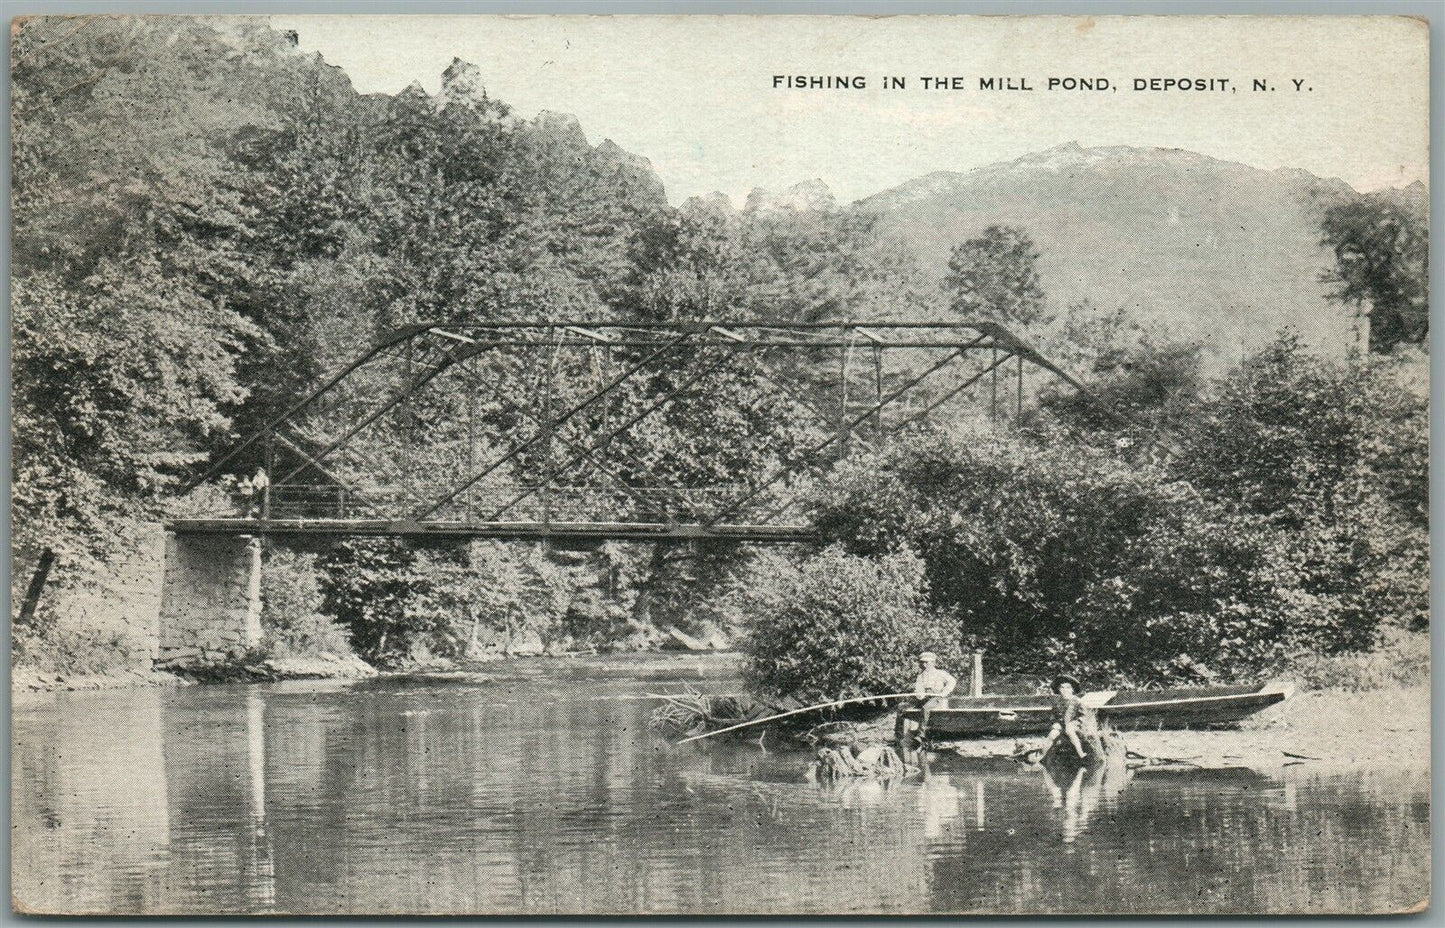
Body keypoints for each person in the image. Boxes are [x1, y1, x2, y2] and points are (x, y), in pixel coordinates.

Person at [911, 651, 957, 743]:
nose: (924, 665)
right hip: (926, 698)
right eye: (922, 662)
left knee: (925, 708)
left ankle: (921, 735)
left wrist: (945, 692)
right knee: (910, 708)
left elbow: (952, 681)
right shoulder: (921, 676)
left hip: (938, 697)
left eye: (927, 662)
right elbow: (919, 688)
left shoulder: (941, 673)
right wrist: (920, 694)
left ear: (933, 662)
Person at [1041, 673, 1089, 760]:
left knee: (1069, 730)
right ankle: (1042, 756)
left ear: (1072, 690)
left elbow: (1083, 716)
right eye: (1062, 688)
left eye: (1068, 687)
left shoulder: (1077, 701)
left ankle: (1080, 753)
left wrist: (1076, 723)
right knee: (1052, 734)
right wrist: (1055, 724)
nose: (1065, 690)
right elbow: (1053, 716)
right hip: (1062, 725)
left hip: (1075, 726)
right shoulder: (1058, 702)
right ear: (1059, 690)